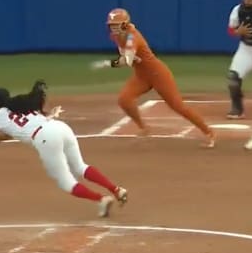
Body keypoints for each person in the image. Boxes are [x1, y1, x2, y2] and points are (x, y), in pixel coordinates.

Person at [0, 80, 129, 218]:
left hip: (45, 138)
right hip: (60, 128)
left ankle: (101, 199)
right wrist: (0, 138)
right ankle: (116, 189)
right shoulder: (22, 106)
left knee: (66, 182)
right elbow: (19, 127)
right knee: (80, 166)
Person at [91, 8, 216, 148]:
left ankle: (209, 132)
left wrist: (107, 63)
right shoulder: (115, 36)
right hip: (141, 76)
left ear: (125, 24)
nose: (113, 28)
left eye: (116, 25)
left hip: (157, 74)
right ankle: (144, 128)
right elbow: (128, 57)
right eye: (111, 25)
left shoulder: (133, 37)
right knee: (124, 100)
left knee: (178, 106)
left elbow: (127, 61)